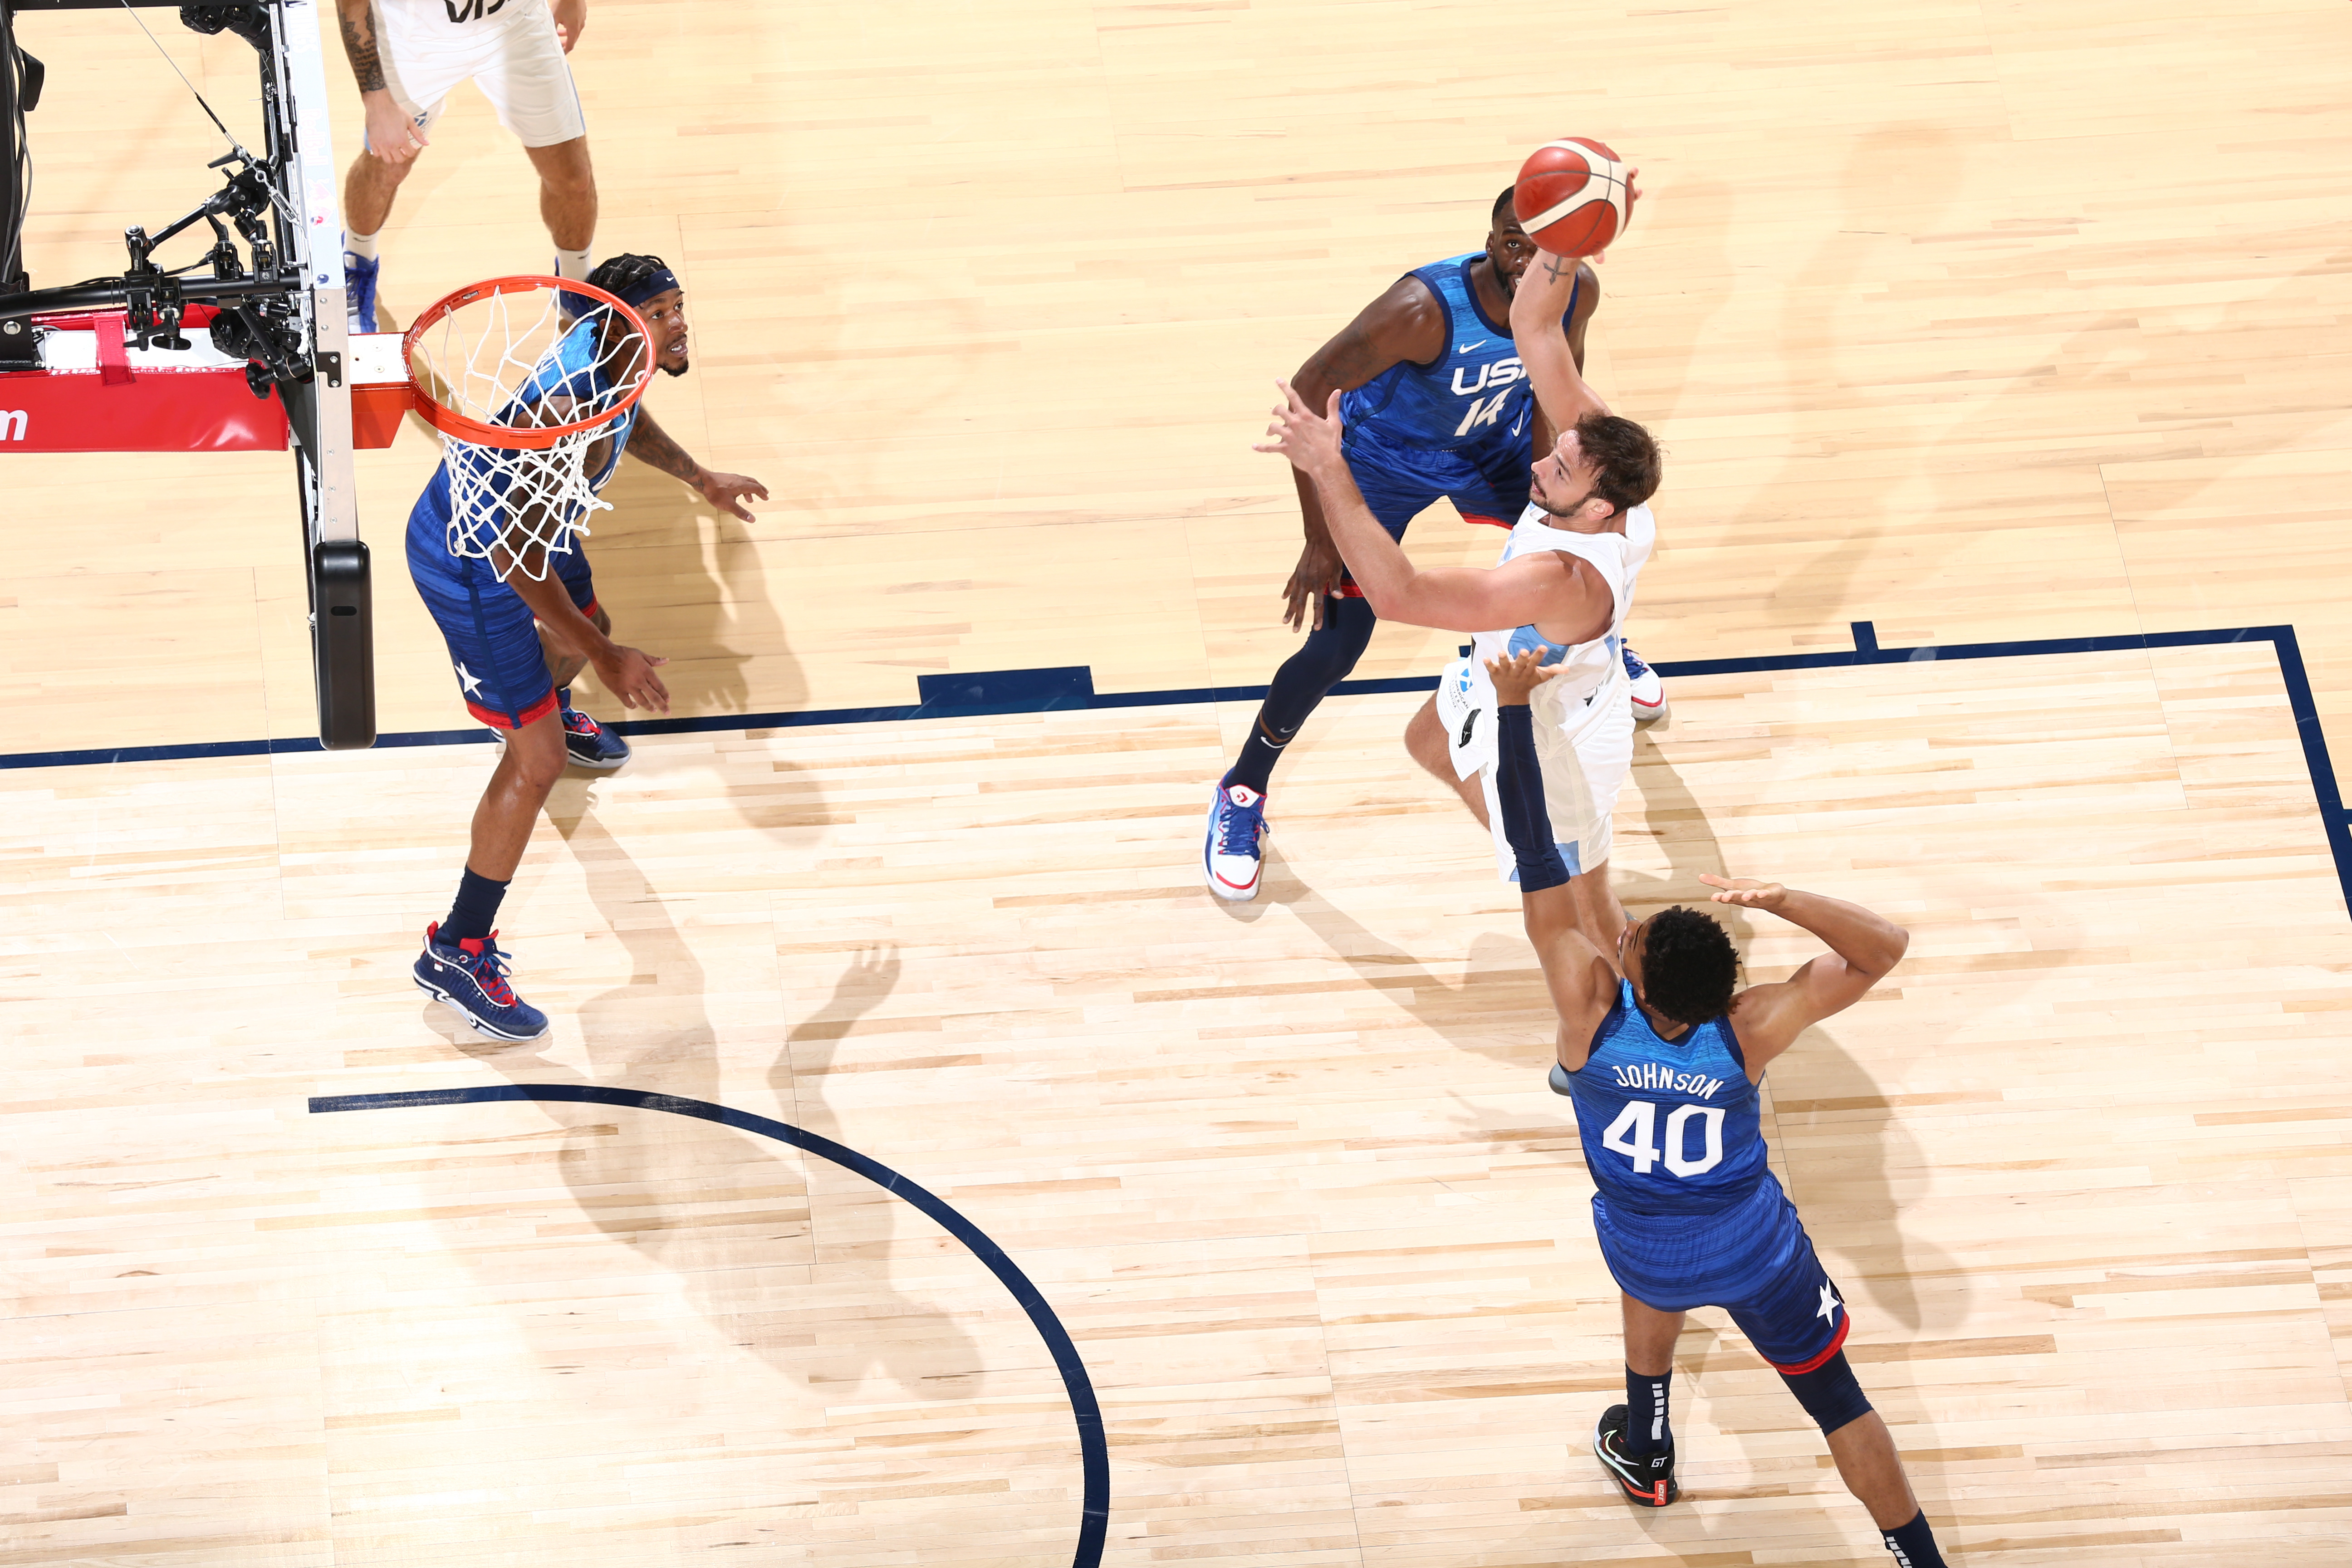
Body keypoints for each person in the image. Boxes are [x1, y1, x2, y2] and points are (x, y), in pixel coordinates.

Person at [1482, 645, 1953, 1567]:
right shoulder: (1748, 1030)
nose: (1626, 929)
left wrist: (1510, 712)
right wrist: (1783, 901)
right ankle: (1918, 1560)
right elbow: (1883, 949)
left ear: (1636, 980)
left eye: (1636, 935)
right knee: (1839, 1404)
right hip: (1756, 1251)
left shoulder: (1586, 1021)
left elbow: (1537, 863)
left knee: (1649, 1255)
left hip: (1644, 1245)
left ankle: (1649, 1452)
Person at [1204, 189, 1664, 903]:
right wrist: (1320, 536)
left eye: (1539, 245)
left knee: (1575, 568)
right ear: (1489, 238)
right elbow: (1307, 387)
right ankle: (1243, 789)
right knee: (1336, 644)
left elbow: (1555, 393)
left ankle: (1587, 642)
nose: (1523, 259)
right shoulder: (1421, 311)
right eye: (1513, 242)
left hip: (1490, 446)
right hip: (1382, 460)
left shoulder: (1574, 292)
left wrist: (1541, 511)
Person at [406, 254, 766, 1042]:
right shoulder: (561, 407)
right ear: (620, 325)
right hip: (474, 559)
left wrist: (697, 476)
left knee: (591, 616)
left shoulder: (615, 363)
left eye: (678, 306)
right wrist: (607, 663)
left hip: (534, 523)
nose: (679, 324)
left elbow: (628, 420)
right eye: (662, 312)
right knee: (533, 760)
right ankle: (457, 952)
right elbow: (516, 564)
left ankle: (547, 699)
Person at [333, 0, 599, 333]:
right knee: (387, 166)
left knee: (573, 178)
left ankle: (578, 286)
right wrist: (376, 100)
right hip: (416, 39)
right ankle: (354, 261)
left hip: (515, 23)